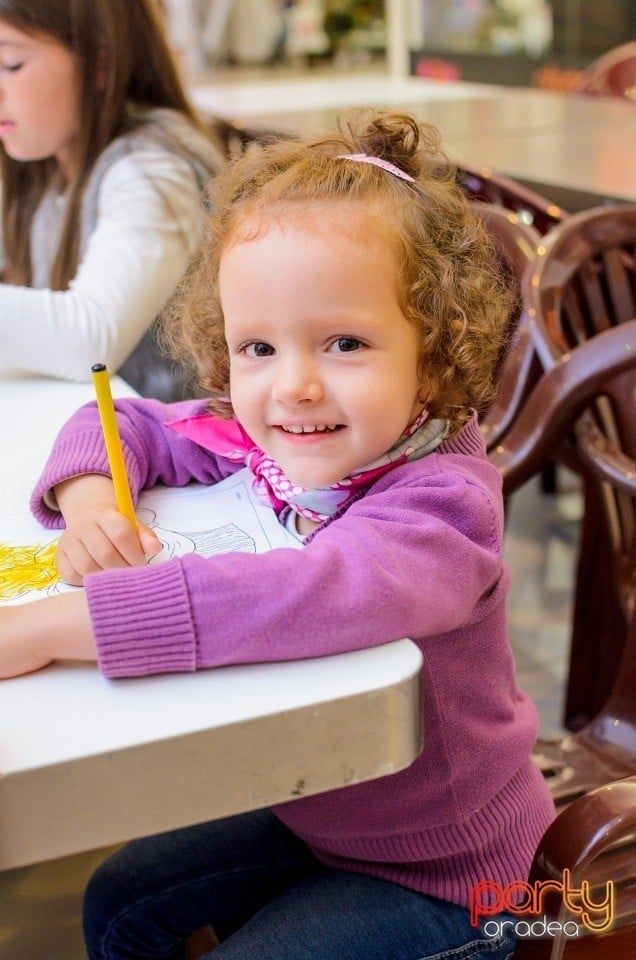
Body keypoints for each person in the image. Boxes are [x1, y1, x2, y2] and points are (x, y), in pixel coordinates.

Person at [0, 111, 555, 960]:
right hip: (330, 802)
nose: (292, 385)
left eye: (344, 343)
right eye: (257, 347)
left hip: (455, 879)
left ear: (435, 357)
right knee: (118, 901)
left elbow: (304, 595)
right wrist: (89, 502)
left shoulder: (444, 510)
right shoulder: (280, 441)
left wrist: (50, 629)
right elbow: (128, 421)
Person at [0, 0, 224, 399]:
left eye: (11, 65)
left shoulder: (153, 170)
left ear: (99, 63)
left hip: (171, 449)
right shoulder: (41, 161)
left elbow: (91, 340)